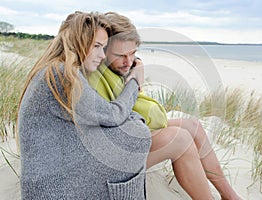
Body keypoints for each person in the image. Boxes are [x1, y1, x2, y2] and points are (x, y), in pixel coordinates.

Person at [88, 12, 242, 200]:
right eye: (120, 56)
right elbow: (120, 122)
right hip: (111, 155)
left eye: (133, 54)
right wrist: (135, 82)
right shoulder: (95, 74)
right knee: (180, 139)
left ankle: (230, 196)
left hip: (130, 136)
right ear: (102, 51)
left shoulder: (120, 71)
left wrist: (134, 76)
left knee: (193, 125)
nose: (128, 62)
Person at [17, 11, 151, 199]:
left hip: (54, 177)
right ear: (78, 41)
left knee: (135, 132)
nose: (101, 55)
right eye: (96, 46)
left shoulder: (58, 69)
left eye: (103, 48)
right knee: (138, 135)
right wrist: (135, 81)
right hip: (53, 189)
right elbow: (112, 115)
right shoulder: (62, 74)